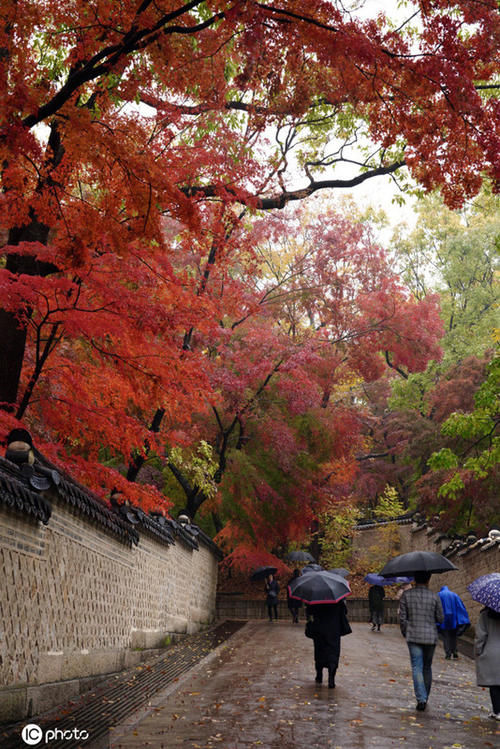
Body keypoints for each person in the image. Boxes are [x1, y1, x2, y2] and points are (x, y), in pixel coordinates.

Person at [399, 571, 444, 711]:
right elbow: (441, 618)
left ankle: (421, 698)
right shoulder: (434, 596)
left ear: (414, 579)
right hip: (430, 637)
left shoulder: (406, 595)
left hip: (413, 636)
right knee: (427, 667)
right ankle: (426, 696)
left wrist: (406, 630)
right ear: (428, 579)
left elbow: (402, 618)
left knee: (417, 666)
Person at [306, 601, 351, 688]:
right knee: (333, 654)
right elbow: (345, 611)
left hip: (319, 630)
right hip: (333, 630)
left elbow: (309, 612)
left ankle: (319, 676)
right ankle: (331, 679)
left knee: (319, 653)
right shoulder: (338, 600)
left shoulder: (315, 599)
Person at [475, 606, 500, 720]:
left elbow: (480, 636)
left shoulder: (485, 615)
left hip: (491, 652)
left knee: (494, 684)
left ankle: (497, 711)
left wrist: (478, 650)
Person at [438, 585, 470, 659]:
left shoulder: (439, 595)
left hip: (443, 620)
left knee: (446, 637)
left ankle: (448, 654)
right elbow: (460, 606)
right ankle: (455, 652)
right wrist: (463, 619)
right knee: (453, 636)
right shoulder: (454, 595)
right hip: (453, 620)